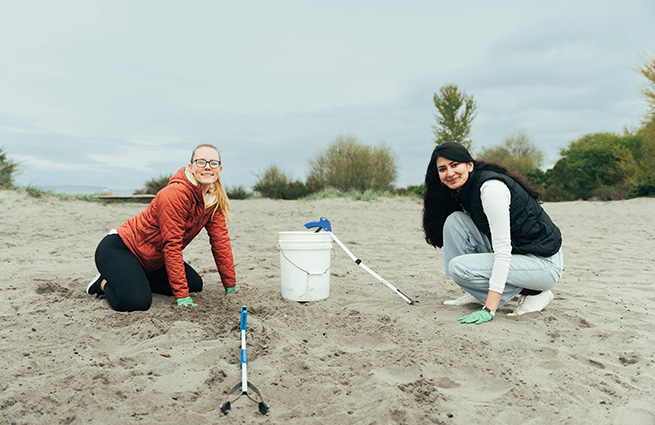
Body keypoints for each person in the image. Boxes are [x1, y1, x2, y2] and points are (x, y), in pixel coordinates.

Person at [422, 142, 563, 324]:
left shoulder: (491, 190)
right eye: (442, 169)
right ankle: (476, 293)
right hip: (519, 253)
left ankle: (536, 293)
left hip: (544, 265)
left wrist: (489, 308)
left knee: (458, 268)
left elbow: (503, 250)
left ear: (470, 165)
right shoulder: (465, 190)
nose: (449, 173)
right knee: (455, 221)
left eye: (455, 165)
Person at [86, 144, 238, 311]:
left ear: (220, 168)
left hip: (152, 261)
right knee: (136, 302)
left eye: (213, 163)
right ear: (191, 167)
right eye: (201, 162)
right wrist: (182, 296)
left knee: (195, 285)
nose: (207, 167)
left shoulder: (213, 199)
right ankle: (102, 283)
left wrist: (230, 285)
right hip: (122, 248)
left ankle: (133, 278)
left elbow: (220, 242)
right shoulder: (175, 194)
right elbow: (172, 245)